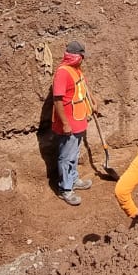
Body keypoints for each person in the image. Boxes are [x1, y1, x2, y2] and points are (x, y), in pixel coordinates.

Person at [50, 39, 93, 206]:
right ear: (76, 56)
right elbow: (58, 100)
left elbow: (84, 88)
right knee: (66, 156)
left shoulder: (76, 70)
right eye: (82, 56)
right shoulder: (63, 73)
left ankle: (73, 179)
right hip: (69, 123)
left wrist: (93, 102)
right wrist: (65, 123)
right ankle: (65, 188)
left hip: (79, 119)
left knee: (74, 154)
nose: (83, 59)